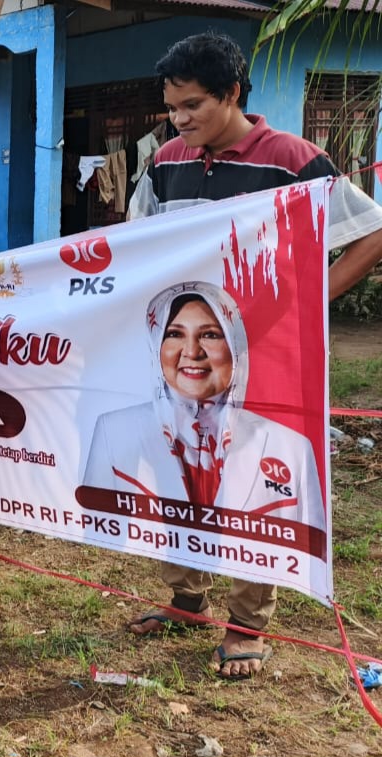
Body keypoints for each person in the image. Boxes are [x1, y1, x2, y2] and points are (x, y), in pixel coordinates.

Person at [125, 31, 382, 680]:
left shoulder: (293, 161)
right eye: (172, 108)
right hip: (186, 359)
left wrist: (305, 301)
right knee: (181, 471)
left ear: (232, 93)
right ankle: (187, 598)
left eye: (193, 106)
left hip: (266, 361)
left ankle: (246, 622)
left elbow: (371, 232)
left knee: (251, 483)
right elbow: (136, 244)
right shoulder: (166, 163)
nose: (179, 121)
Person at [85, 281, 325, 524]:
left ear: (235, 346)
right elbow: (97, 526)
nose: (192, 351)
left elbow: (309, 541)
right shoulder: (112, 431)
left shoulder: (291, 448)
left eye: (210, 335)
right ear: (156, 345)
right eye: (175, 334)